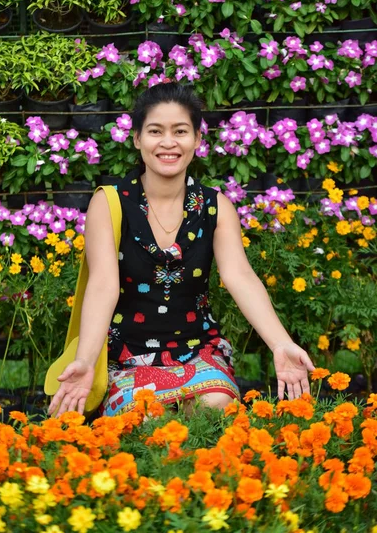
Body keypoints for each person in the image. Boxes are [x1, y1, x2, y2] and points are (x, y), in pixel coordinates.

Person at [48, 83, 314, 418]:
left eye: (181, 131)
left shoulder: (215, 206)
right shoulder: (110, 203)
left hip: (196, 353)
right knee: (142, 418)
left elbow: (240, 276)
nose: (168, 142)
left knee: (215, 407)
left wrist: (280, 343)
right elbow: (103, 285)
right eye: (155, 131)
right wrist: (85, 361)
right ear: (136, 139)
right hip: (126, 358)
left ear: (198, 140)